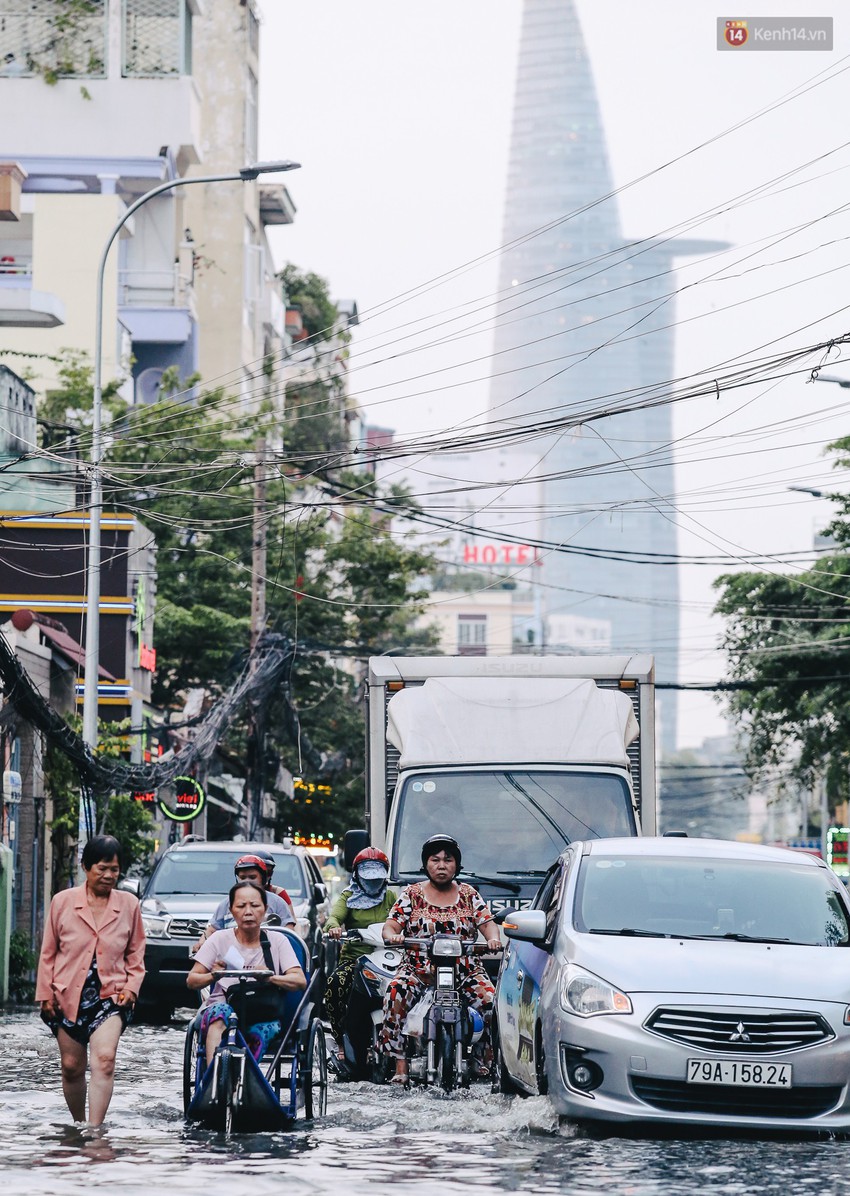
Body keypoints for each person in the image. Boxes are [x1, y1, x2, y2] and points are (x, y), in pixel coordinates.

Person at [36, 835, 145, 1126]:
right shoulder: (62, 902)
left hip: (110, 996)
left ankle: (95, 1131)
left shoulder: (129, 905)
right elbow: (48, 952)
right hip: (66, 995)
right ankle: (79, 1124)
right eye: (102, 868)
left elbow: (136, 953)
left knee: (105, 1059)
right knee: (71, 1066)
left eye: (115, 870)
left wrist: (132, 988)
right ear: (85, 867)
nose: (109, 876)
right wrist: (45, 994)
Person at [380, 833, 501, 1085]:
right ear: (426, 864)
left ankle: (484, 1061)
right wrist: (393, 936)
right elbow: (390, 927)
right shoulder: (410, 894)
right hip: (418, 968)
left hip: (465, 970)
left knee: (491, 1002)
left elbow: (488, 924)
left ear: (457, 865)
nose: (442, 865)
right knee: (394, 994)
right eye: (435, 860)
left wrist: (492, 940)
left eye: (448, 860)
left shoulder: (469, 894)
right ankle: (400, 1064)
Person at [188, 880, 307, 1064]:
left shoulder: (279, 941)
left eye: (255, 905)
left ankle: (243, 1079)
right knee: (220, 1014)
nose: (248, 912)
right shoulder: (218, 939)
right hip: (223, 1009)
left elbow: (299, 980)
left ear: (265, 909)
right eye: (241, 906)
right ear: (232, 910)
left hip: (263, 1014)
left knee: (260, 1034)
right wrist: (213, 975)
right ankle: (214, 1078)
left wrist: (271, 978)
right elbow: (192, 980)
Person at [323, 847, 397, 1069]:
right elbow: (334, 917)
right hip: (355, 960)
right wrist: (334, 927)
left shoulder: (392, 897)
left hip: (389, 959)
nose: (373, 882)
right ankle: (341, 1042)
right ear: (357, 875)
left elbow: (404, 918)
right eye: (368, 875)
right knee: (335, 985)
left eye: (377, 876)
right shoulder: (348, 896)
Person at [196, 853, 296, 951]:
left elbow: (289, 934)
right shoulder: (225, 904)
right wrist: (201, 944)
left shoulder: (278, 902)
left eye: (252, 877)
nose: (247, 881)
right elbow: (212, 930)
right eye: (243, 877)